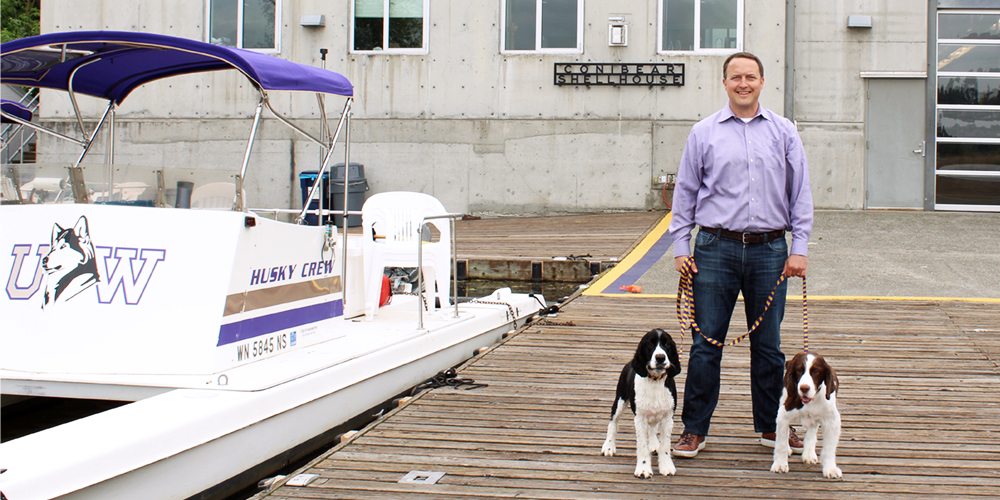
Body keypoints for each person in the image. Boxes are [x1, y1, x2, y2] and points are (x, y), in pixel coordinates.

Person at [668, 52, 814, 458]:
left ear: (763, 82)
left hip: (770, 251)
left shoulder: (784, 132)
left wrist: (798, 248)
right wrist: (681, 246)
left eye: (751, 77)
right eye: (736, 77)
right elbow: (686, 193)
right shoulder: (703, 133)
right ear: (725, 82)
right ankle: (694, 429)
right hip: (714, 249)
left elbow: (800, 193)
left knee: (769, 347)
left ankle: (772, 427)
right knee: (704, 344)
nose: (743, 83)